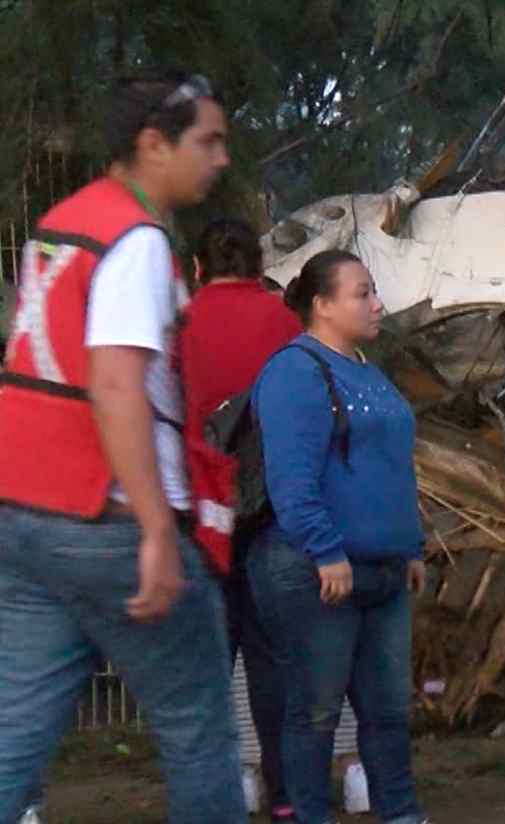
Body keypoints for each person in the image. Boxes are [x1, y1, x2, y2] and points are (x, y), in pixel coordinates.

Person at [0, 72, 243, 824]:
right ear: (152, 144)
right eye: (208, 141)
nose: (222, 159)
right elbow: (113, 385)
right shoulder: (133, 242)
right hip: (108, 517)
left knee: (13, 731)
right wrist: (154, 529)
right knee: (199, 726)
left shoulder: (61, 225)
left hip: (28, 514)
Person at [247, 251, 428, 824]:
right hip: (318, 571)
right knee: (316, 709)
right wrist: (326, 551)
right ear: (322, 305)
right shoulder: (295, 371)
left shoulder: (368, 370)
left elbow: (395, 466)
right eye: (362, 293)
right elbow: (291, 479)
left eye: (373, 291)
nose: (376, 304)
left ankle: (400, 812)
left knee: (388, 709)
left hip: (384, 569)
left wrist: (410, 546)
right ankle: (308, 814)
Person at [180, 217, 304, 821]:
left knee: (208, 661)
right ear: (258, 266)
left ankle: (219, 793)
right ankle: (284, 795)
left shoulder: (181, 324)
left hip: (202, 509)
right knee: (271, 658)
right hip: (273, 507)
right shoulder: (284, 321)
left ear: (198, 268)